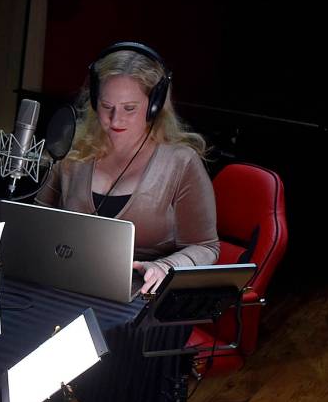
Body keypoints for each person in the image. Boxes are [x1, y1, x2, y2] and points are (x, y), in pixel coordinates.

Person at [35, 42, 219, 293]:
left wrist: (166, 266)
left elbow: (206, 246)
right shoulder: (72, 150)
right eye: (106, 106)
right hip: (70, 283)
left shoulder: (181, 162)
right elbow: (36, 221)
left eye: (129, 108)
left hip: (144, 295)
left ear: (155, 105)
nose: (115, 120)